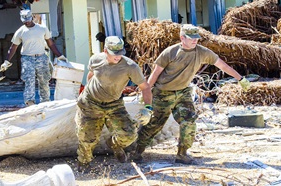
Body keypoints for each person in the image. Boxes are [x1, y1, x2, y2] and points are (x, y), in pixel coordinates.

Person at [132, 24, 250, 164]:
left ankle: (182, 154)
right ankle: (136, 151)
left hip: (183, 92)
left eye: (196, 38)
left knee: (189, 121)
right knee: (154, 124)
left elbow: (222, 65)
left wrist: (240, 79)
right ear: (182, 38)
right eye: (191, 38)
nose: (195, 41)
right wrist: (146, 96)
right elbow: (155, 74)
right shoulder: (170, 52)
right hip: (163, 93)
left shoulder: (202, 52)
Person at [75, 36, 153, 173]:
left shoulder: (130, 67)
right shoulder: (95, 59)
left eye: (120, 53)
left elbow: (145, 87)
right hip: (91, 103)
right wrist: (86, 91)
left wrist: (148, 108)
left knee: (129, 134)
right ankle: (84, 162)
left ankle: (114, 144)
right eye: (114, 54)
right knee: (88, 138)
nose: (118, 56)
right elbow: (91, 75)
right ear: (105, 51)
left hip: (114, 104)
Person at [1, 9, 67, 106]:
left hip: (41, 57)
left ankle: (45, 102)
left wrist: (60, 56)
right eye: (24, 20)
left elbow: (51, 44)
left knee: (44, 81)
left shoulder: (42, 28)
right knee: (29, 81)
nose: (26, 22)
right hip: (27, 59)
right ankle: (30, 102)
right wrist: (6, 61)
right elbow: (13, 47)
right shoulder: (20, 32)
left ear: (32, 17)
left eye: (28, 19)